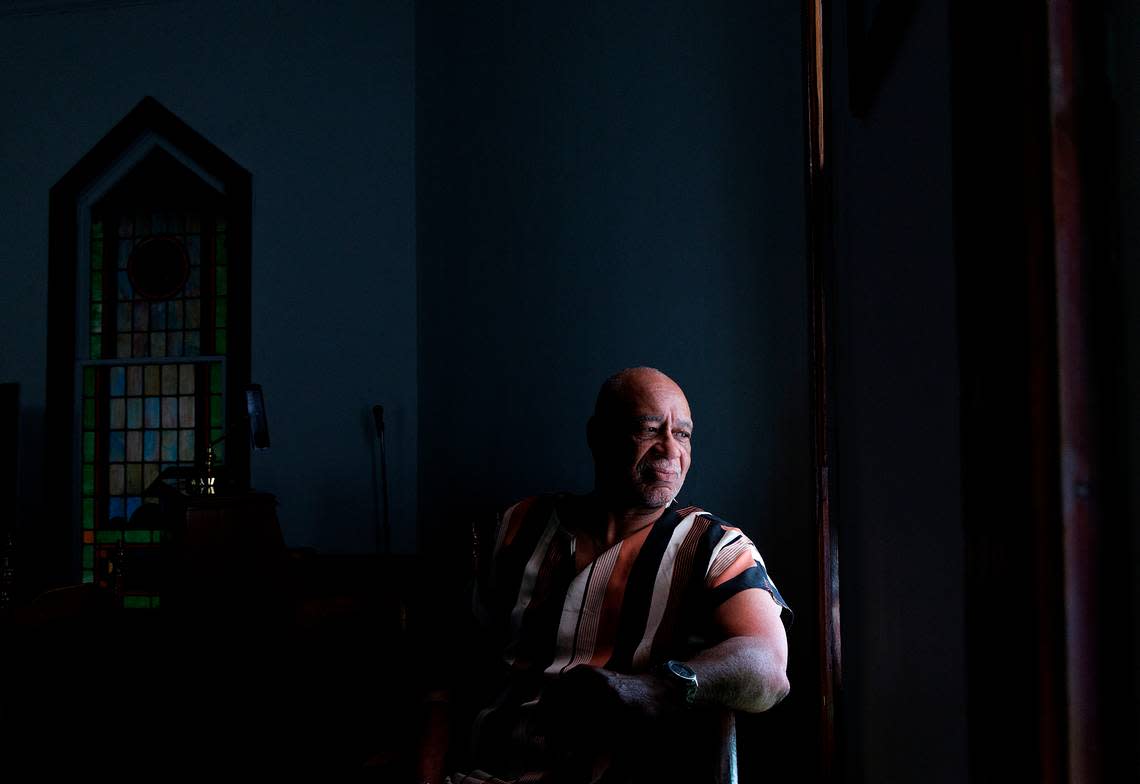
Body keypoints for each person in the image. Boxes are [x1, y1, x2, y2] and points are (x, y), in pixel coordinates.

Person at [417, 367, 791, 784]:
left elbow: (769, 670)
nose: (670, 449)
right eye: (649, 429)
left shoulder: (713, 546)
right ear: (599, 437)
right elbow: (444, 676)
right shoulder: (518, 526)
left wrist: (657, 688)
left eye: (682, 434)